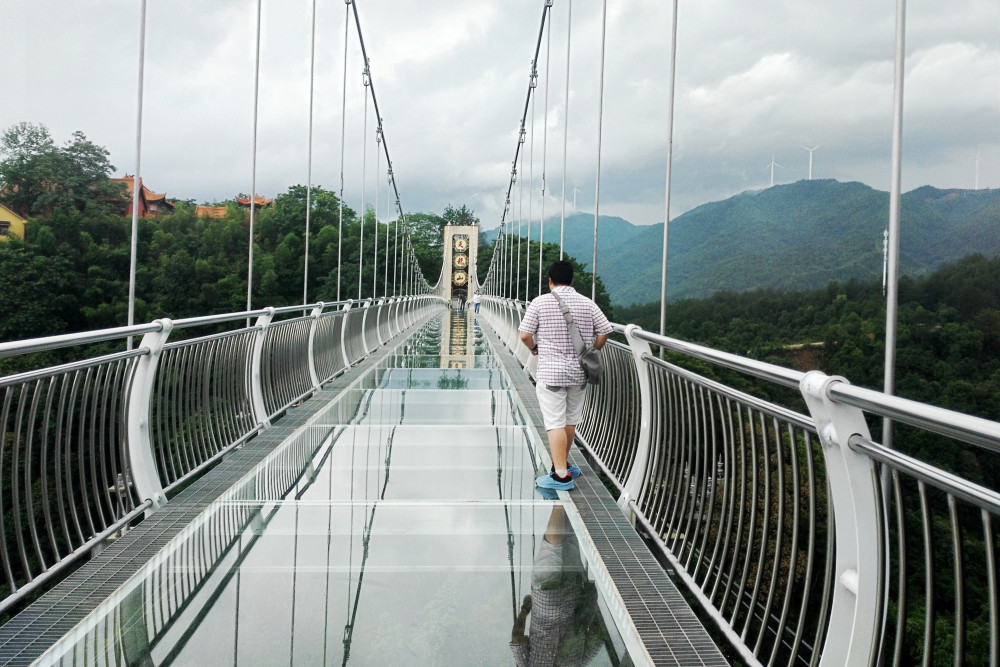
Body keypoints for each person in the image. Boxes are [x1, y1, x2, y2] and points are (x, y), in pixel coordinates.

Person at [518, 261, 612, 491]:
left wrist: (534, 348)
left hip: (551, 373)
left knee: (554, 423)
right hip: (579, 373)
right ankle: (564, 465)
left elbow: (524, 336)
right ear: (572, 281)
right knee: (570, 420)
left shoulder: (540, 302)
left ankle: (560, 475)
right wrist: (592, 350)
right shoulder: (587, 303)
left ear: (550, 281)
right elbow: (605, 331)